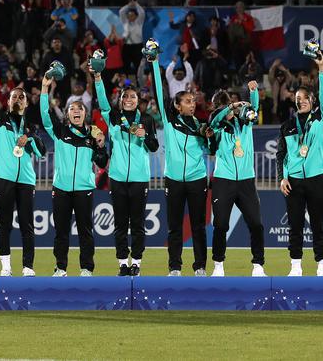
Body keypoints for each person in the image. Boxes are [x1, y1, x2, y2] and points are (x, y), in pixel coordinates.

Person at [148, 43, 211, 276]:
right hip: (173, 179)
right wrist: (154, 63)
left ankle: (200, 267)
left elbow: (210, 148)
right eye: (187, 102)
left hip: (196, 179)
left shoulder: (200, 125)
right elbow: (158, 90)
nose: (192, 105)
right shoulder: (170, 120)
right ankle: (174, 267)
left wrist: (209, 138)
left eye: (194, 102)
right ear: (177, 105)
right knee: (174, 227)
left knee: (198, 227)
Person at [94, 54, 158, 277]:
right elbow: (102, 100)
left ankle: (137, 262)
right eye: (125, 96)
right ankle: (122, 262)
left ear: (138, 99)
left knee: (138, 223)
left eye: (132, 96)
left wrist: (144, 135)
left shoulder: (147, 119)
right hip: (118, 177)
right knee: (121, 223)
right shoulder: (112, 117)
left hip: (140, 178)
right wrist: (98, 78)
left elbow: (154, 146)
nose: (129, 99)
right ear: (121, 100)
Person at [0, 59, 44, 277]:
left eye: (21, 97)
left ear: (26, 103)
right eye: (14, 96)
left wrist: (31, 139)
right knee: (4, 225)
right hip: (4, 178)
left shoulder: (31, 126)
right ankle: (5, 267)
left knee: (27, 225)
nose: (17, 99)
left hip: (26, 180)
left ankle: (28, 266)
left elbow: (41, 152)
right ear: (8, 101)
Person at [40, 74, 108, 276]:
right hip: (61, 188)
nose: (76, 111)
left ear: (85, 113)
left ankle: (86, 268)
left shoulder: (93, 135)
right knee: (61, 232)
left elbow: (102, 163)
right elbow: (45, 115)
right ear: (67, 115)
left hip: (84, 189)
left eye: (79, 109)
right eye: (72, 109)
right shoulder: (60, 131)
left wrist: (102, 147)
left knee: (86, 232)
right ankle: (60, 267)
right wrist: (45, 89)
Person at [278, 53, 323, 276]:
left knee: (318, 224)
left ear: (312, 101)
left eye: (305, 98)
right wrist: (283, 177)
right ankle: (296, 266)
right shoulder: (288, 125)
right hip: (294, 181)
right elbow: (281, 154)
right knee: (295, 226)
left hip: (317, 178)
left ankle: (321, 265)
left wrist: (321, 69)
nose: (301, 101)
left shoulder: (321, 119)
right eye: (297, 98)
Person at [208, 82, 267, 277]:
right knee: (221, 225)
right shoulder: (216, 124)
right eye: (221, 108)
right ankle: (218, 265)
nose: (225, 111)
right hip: (223, 180)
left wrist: (253, 91)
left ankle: (258, 265)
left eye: (225, 106)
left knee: (256, 224)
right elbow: (214, 119)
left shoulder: (245, 122)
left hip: (246, 180)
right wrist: (230, 107)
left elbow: (254, 108)